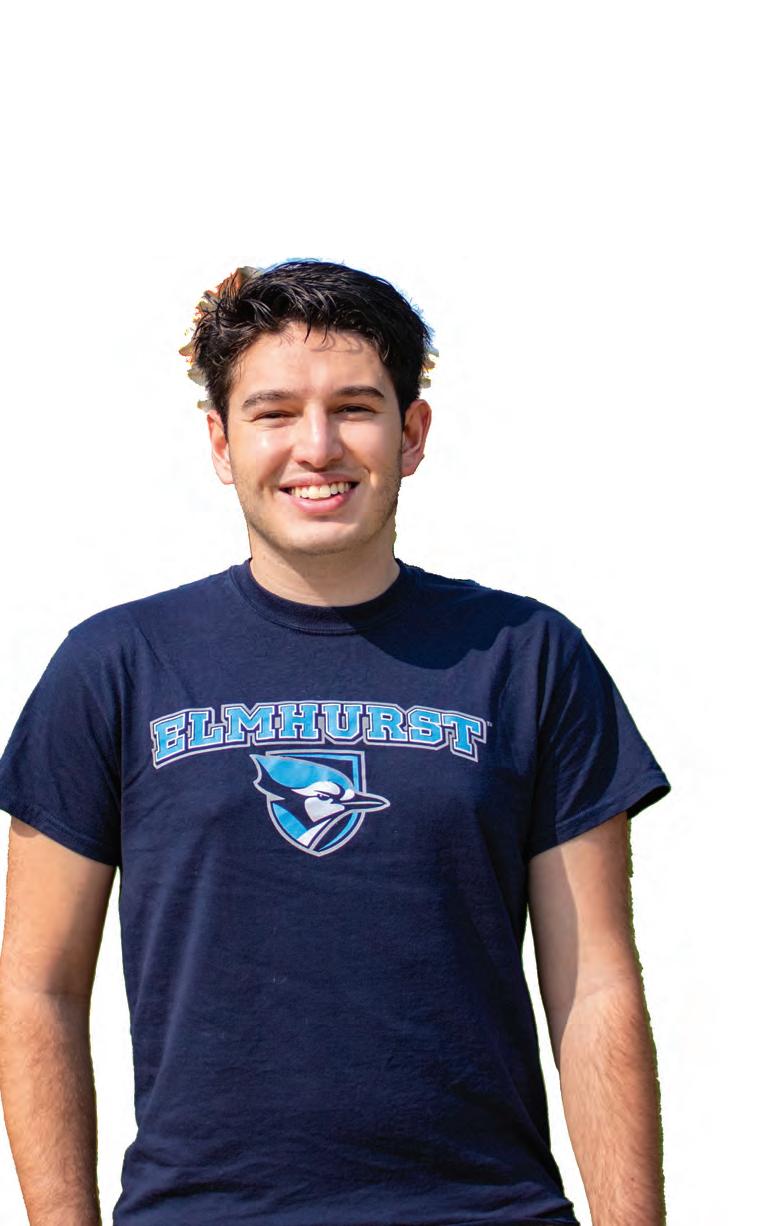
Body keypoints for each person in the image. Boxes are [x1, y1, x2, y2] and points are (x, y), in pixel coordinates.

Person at [0, 259, 671, 1226]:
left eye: (355, 408)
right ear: (221, 442)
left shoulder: (528, 658)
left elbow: (596, 982)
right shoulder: (115, 665)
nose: (316, 447)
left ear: (412, 433)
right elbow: (37, 988)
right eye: (274, 413)